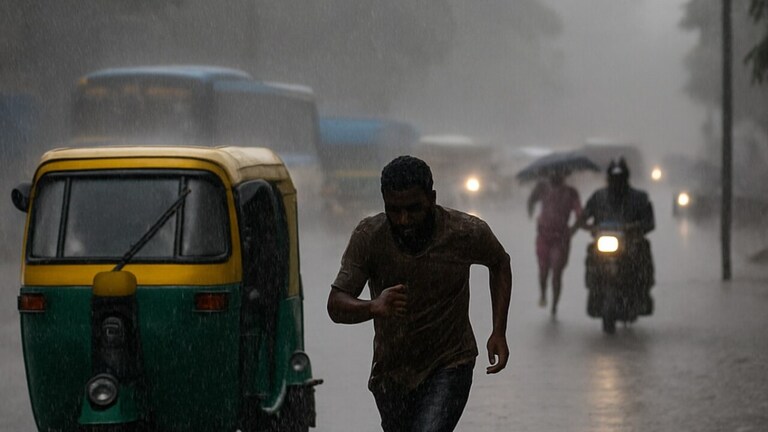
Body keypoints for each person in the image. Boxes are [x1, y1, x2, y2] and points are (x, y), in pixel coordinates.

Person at [327, 155, 512, 432]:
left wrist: (499, 331)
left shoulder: (464, 232)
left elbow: (500, 263)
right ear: (384, 203)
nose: (404, 220)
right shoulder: (369, 236)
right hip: (392, 374)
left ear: (432, 199)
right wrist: (373, 306)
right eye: (394, 210)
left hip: (450, 363)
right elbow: (335, 305)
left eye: (414, 209)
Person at [575, 157, 655, 314]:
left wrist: (635, 228)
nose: (617, 182)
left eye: (620, 178)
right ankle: (594, 290)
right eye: (614, 178)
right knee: (591, 254)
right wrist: (588, 227)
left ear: (626, 178)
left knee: (643, 251)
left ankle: (642, 292)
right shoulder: (598, 197)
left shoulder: (639, 198)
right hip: (603, 243)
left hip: (631, 243)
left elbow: (649, 222)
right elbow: (583, 217)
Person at [526, 172, 582, 316]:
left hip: (560, 239)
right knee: (543, 270)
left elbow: (579, 213)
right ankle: (543, 294)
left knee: (557, 272)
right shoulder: (542, 188)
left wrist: (574, 228)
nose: (554, 176)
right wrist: (530, 210)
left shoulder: (571, 193)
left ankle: (554, 305)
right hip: (544, 237)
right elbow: (531, 200)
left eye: (558, 173)